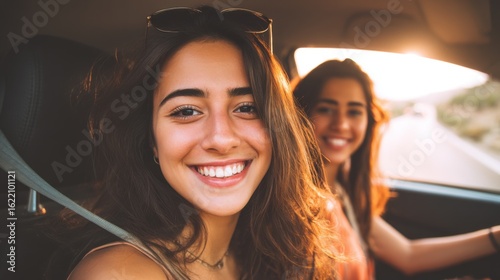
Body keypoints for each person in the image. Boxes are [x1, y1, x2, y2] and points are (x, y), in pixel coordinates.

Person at [59, 5, 341, 280]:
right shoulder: (118, 273)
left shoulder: (272, 250)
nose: (221, 138)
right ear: (151, 140)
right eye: (186, 111)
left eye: (247, 107)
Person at [293, 59, 500, 277]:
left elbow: (408, 255)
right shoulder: (294, 203)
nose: (341, 124)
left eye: (354, 112)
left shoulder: (343, 191)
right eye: (325, 109)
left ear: (368, 121)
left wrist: (495, 237)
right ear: (300, 115)